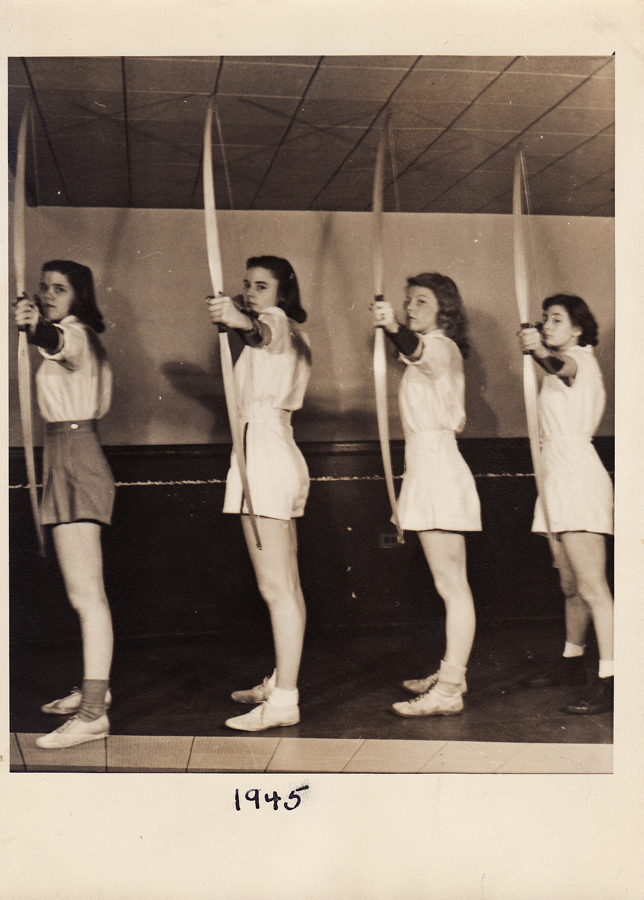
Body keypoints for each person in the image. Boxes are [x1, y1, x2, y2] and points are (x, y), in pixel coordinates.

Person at [206, 256, 311, 732]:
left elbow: (262, 331)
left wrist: (237, 319)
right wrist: (239, 322)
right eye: (247, 284)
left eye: (262, 285)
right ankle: (281, 682)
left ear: (282, 293)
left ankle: (284, 701)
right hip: (271, 454)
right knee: (286, 584)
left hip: (264, 460)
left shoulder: (275, 322)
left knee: (275, 589)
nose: (251, 291)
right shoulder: (280, 330)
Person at [14, 260, 115, 748]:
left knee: (87, 596)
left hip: (76, 456)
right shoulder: (67, 333)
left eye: (59, 289)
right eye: (44, 288)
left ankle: (94, 713)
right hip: (64, 453)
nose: (49, 294)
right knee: (83, 594)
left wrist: (37, 326)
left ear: (78, 298)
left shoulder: (75, 334)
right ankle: (96, 691)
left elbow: (60, 343)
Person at [372, 273, 481, 717]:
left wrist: (391, 326)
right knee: (447, 584)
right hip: (424, 467)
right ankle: (452, 672)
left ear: (444, 311)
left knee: (453, 586)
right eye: (407, 301)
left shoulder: (441, 346)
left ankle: (450, 689)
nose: (410, 307)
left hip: (438, 468)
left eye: (421, 301)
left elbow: (417, 350)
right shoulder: (428, 352)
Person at [518, 294, 614, 715]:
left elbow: (563, 366)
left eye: (556, 319)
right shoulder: (556, 366)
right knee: (570, 586)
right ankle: (572, 661)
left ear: (577, 328)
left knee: (594, 588)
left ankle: (614, 679)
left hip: (578, 478)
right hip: (556, 479)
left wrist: (538, 349)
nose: (546, 325)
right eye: (544, 319)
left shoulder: (580, 359)